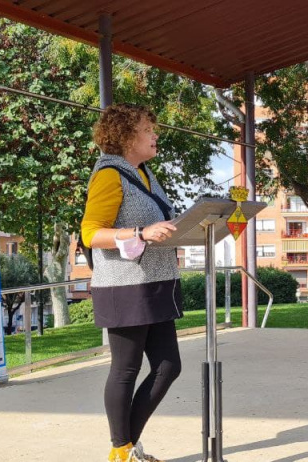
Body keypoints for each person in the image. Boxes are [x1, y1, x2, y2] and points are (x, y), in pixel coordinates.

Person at [82, 103, 183, 462]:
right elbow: (91, 233)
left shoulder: (145, 174)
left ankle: (125, 446)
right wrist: (141, 231)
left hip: (155, 282)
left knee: (169, 366)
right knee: (125, 369)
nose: (155, 134)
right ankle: (122, 449)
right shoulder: (109, 174)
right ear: (126, 136)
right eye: (147, 129)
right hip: (124, 286)